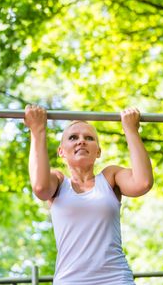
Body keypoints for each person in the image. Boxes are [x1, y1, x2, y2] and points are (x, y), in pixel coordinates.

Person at [24, 105, 153, 285]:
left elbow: (143, 183)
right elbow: (40, 188)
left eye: (89, 138)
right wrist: (37, 130)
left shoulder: (110, 177)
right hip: (69, 280)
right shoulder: (58, 181)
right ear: (61, 151)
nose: (81, 141)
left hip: (116, 279)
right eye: (73, 137)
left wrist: (130, 130)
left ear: (98, 151)